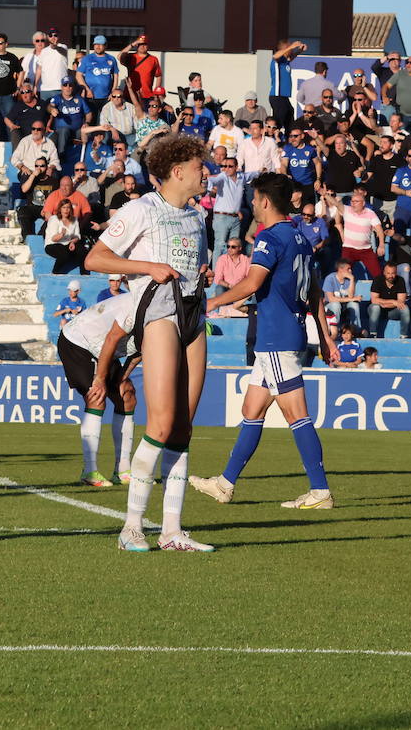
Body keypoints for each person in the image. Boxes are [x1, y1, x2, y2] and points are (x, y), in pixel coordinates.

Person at [84, 134, 212, 553]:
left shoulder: (198, 218)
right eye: (199, 167)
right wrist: (147, 267)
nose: (205, 172)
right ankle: (131, 527)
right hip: (158, 315)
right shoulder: (140, 209)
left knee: (181, 429)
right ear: (177, 172)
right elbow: (95, 259)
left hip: (194, 315)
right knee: (158, 423)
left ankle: (172, 531)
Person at [192, 171, 338, 510]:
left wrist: (212, 302)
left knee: (296, 414)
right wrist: (326, 336)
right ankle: (225, 484)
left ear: (266, 201)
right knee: (252, 409)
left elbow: (253, 283)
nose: (253, 204)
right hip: (285, 335)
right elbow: (315, 290)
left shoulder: (270, 238)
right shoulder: (300, 238)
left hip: (276, 335)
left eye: (256, 199)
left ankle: (320, 491)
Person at [56, 289, 142, 487]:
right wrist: (101, 378)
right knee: (96, 395)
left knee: (126, 394)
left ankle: (123, 470)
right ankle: (90, 471)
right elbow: (112, 338)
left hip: (103, 347)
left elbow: (141, 350)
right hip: (79, 341)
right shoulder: (139, 306)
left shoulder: (167, 315)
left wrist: (122, 378)